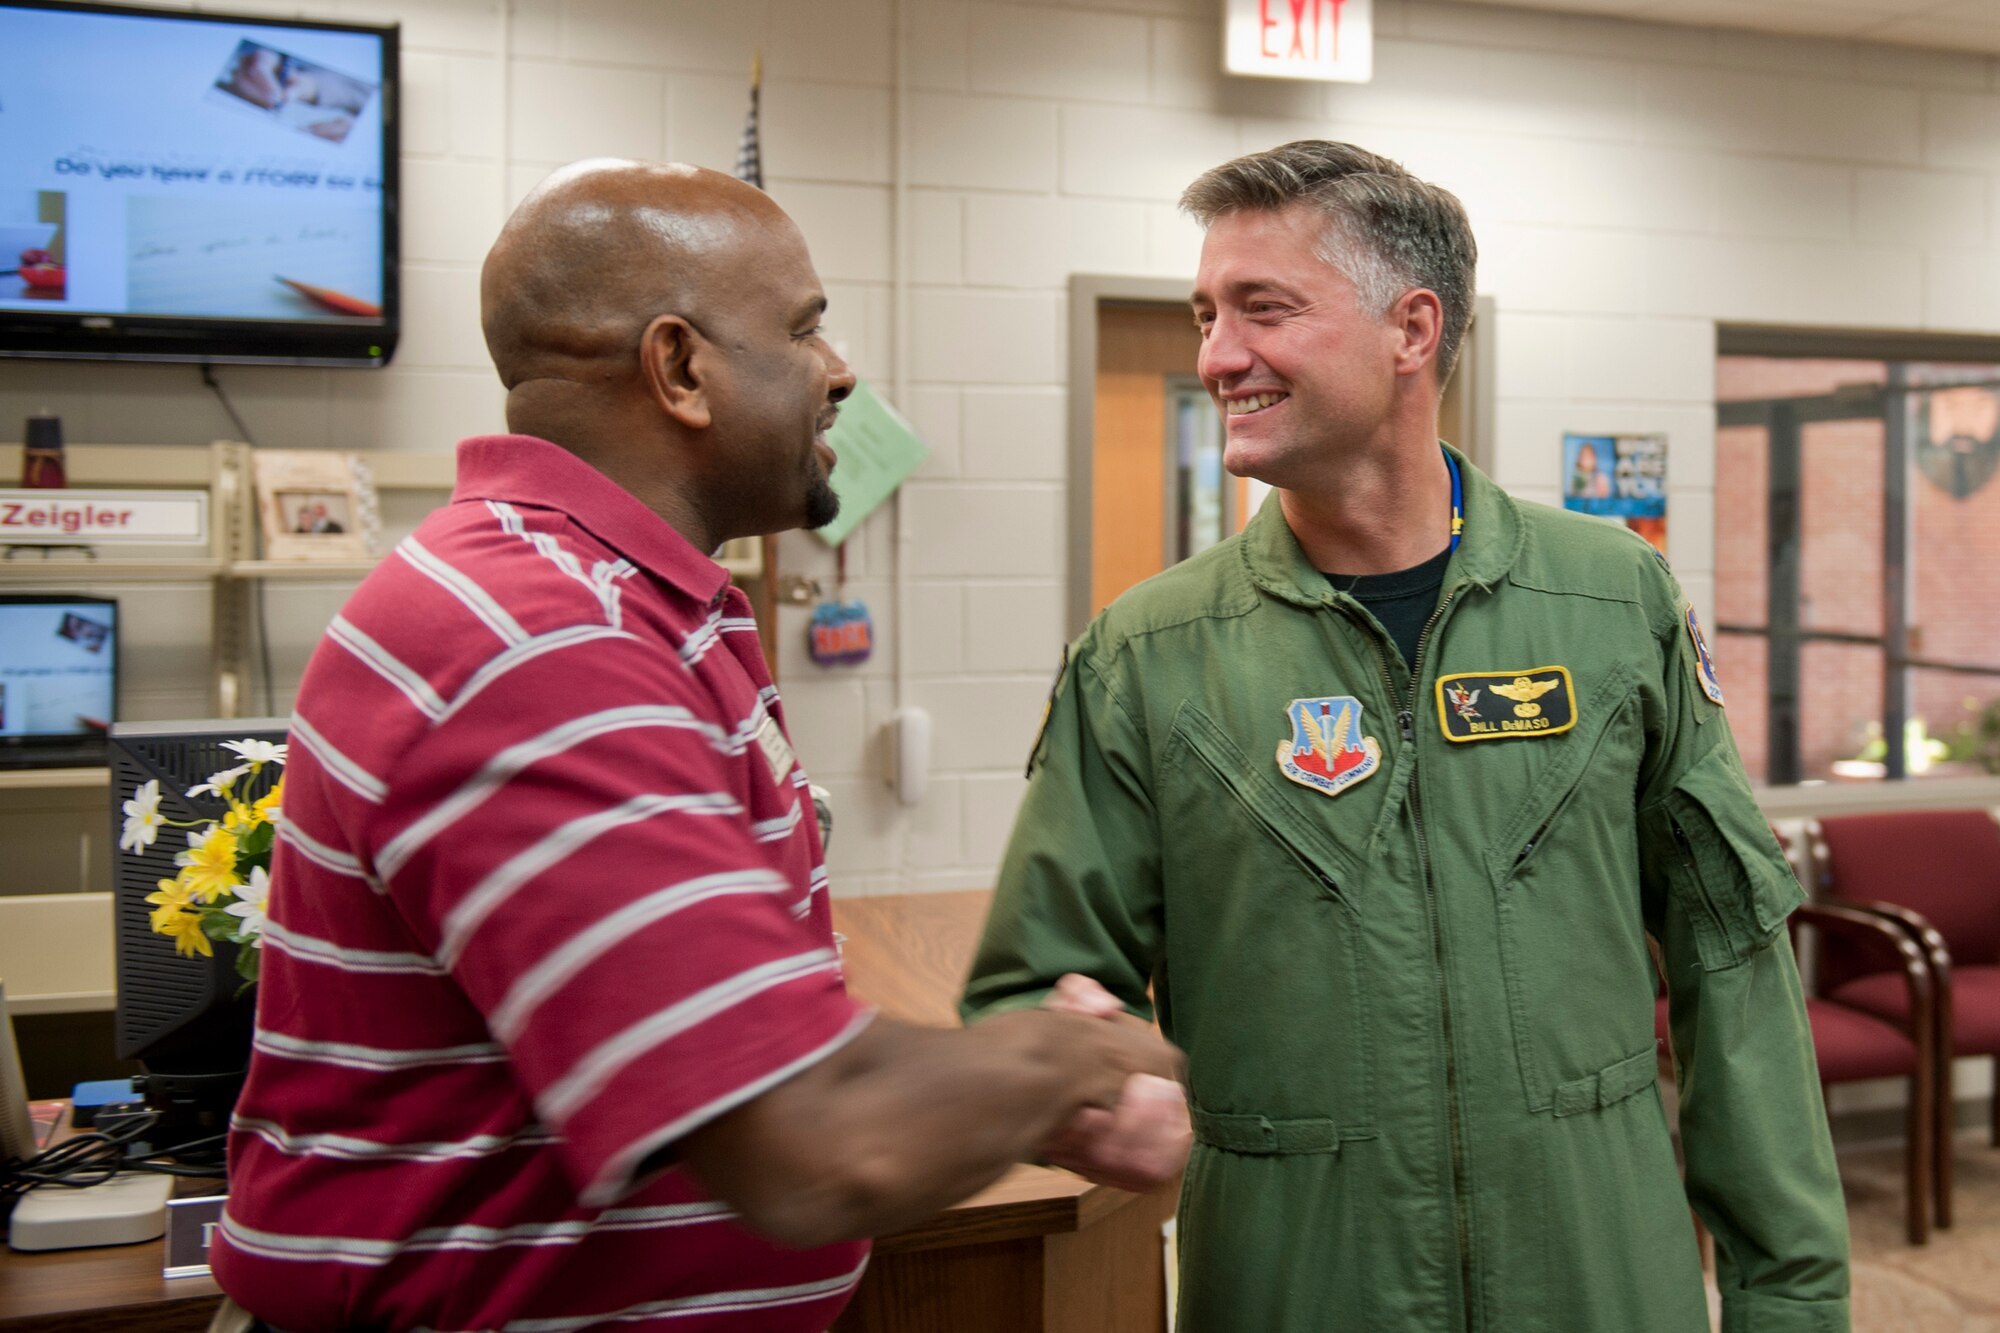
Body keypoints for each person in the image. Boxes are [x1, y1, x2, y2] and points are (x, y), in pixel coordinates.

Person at [210, 159, 1188, 1333]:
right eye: (805, 327)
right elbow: (810, 1147)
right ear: (678, 367)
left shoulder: (626, 608)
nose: (840, 372)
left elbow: (754, 1038)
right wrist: (1071, 1066)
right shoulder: (535, 642)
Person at [961, 141, 1850, 1332]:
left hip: (1597, 1276)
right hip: (1300, 1286)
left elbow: (1728, 960)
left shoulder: (1609, 600)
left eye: (1261, 309)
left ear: (1410, 328)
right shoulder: (1147, 653)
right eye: (1205, 314)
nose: (1217, 355)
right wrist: (1089, 1072)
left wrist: (1789, 1303)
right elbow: (1032, 983)